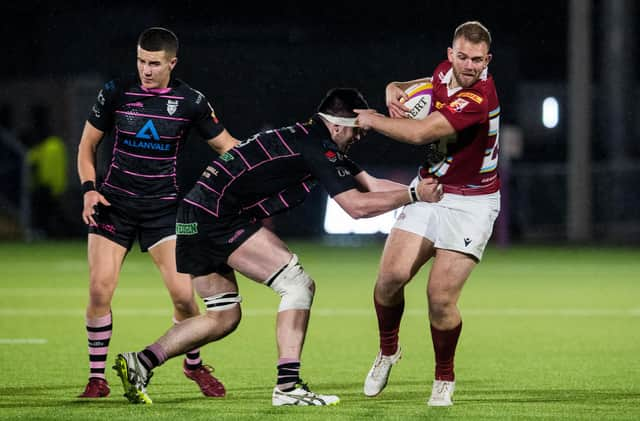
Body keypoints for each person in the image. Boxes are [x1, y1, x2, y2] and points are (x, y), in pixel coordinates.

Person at [111, 87, 443, 406]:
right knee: (297, 284)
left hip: (193, 213)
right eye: (358, 130)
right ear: (338, 124)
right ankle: (288, 386)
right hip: (217, 215)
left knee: (224, 315)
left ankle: (140, 362)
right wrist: (414, 196)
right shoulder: (318, 147)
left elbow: (371, 185)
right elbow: (356, 207)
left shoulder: (311, 138)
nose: (360, 137)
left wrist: (433, 198)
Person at [76, 27, 238, 399]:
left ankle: (193, 366)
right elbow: (87, 145)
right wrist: (89, 191)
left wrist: (261, 165)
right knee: (100, 288)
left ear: (171, 63)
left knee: (184, 298)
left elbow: (227, 147)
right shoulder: (116, 92)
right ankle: (97, 379)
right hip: (113, 205)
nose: (145, 70)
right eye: (140, 61)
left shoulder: (191, 102)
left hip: (164, 210)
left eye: (153, 63)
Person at [354, 21, 501, 407]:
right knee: (389, 278)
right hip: (431, 191)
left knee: (439, 298)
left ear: (488, 60)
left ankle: (443, 378)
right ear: (451, 54)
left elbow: (421, 133)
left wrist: (371, 118)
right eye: (463, 57)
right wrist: (393, 89)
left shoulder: (479, 97)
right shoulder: (444, 72)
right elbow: (422, 81)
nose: (469, 66)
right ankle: (388, 351)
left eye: (478, 60)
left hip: (472, 203)